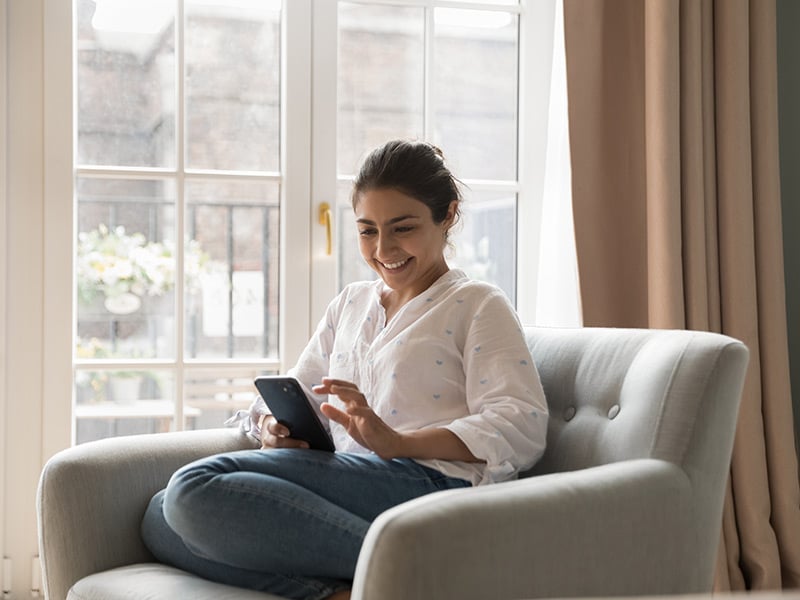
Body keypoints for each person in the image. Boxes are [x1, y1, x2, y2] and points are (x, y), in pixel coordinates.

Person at [140, 139, 549, 600]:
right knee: (159, 517)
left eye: (403, 228)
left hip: (429, 485)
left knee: (191, 490)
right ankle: (341, 591)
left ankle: (431, 576)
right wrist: (274, 426)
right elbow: (302, 388)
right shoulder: (351, 303)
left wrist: (398, 443)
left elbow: (521, 425)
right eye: (367, 231)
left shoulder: (477, 304)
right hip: (347, 475)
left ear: (448, 215)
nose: (384, 248)